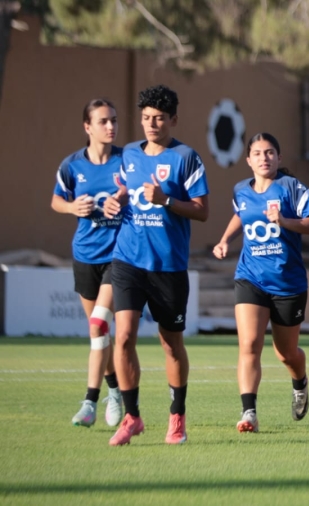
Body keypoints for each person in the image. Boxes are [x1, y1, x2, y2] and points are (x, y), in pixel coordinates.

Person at [102, 85, 210, 446]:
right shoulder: (130, 153)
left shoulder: (186, 157)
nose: (151, 124)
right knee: (123, 336)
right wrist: (115, 201)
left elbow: (202, 211)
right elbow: (127, 191)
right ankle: (132, 417)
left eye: (159, 118)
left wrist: (166, 200)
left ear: (173, 120)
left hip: (168, 265)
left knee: (171, 344)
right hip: (128, 259)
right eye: (146, 117)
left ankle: (177, 417)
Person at [212, 133, 309, 433]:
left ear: (279, 157)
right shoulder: (240, 190)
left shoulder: (292, 188)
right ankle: (249, 413)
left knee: (286, 353)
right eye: (257, 153)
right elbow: (240, 215)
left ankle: (300, 382)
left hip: (288, 282)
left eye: (269, 152)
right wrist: (225, 239)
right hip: (250, 277)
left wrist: (284, 222)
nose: (264, 158)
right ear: (248, 160)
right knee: (249, 344)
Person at [51, 99, 124, 428]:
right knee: (99, 333)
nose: (111, 126)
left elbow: (140, 195)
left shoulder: (126, 161)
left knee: (98, 324)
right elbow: (56, 200)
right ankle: (116, 391)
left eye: (114, 120)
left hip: (118, 256)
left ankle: (89, 403)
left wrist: (121, 200)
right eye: (104, 121)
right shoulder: (71, 165)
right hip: (84, 256)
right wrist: (72, 208)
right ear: (87, 127)